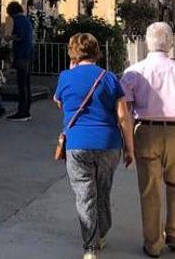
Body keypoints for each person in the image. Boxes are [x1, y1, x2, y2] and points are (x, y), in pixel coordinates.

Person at [120, 22, 175, 258]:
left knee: (150, 190)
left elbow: (124, 110)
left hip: (145, 131)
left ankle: (153, 243)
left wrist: (127, 145)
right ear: (169, 43)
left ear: (148, 42)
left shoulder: (134, 72)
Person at [54, 33, 135, 259]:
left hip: (77, 143)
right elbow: (123, 116)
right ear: (97, 52)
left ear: (73, 54)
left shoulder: (65, 77)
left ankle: (90, 247)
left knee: (84, 195)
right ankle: (101, 233)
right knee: (103, 190)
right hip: (108, 143)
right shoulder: (109, 78)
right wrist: (130, 148)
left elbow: (59, 102)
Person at [6, 1, 34, 122]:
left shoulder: (18, 20)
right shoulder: (26, 20)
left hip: (22, 55)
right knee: (26, 84)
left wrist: (9, 38)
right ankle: (26, 110)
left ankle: (22, 111)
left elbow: (19, 36)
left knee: (21, 84)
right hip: (28, 54)